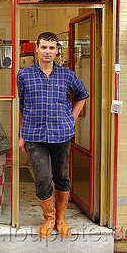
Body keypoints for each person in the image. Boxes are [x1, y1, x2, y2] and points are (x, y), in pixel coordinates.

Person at [17, 32, 89, 238]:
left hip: (61, 133)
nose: (47, 51)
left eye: (51, 47)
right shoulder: (24, 75)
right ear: (37, 49)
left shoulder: (67, 75)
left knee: (62, 176)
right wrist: (22, 134)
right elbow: (21, 106)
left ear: (57, 50)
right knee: (42, 178)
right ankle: (49, 217)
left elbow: (83, 95)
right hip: (34, 135)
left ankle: (61, 219)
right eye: (43, 47)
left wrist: (72, 119)